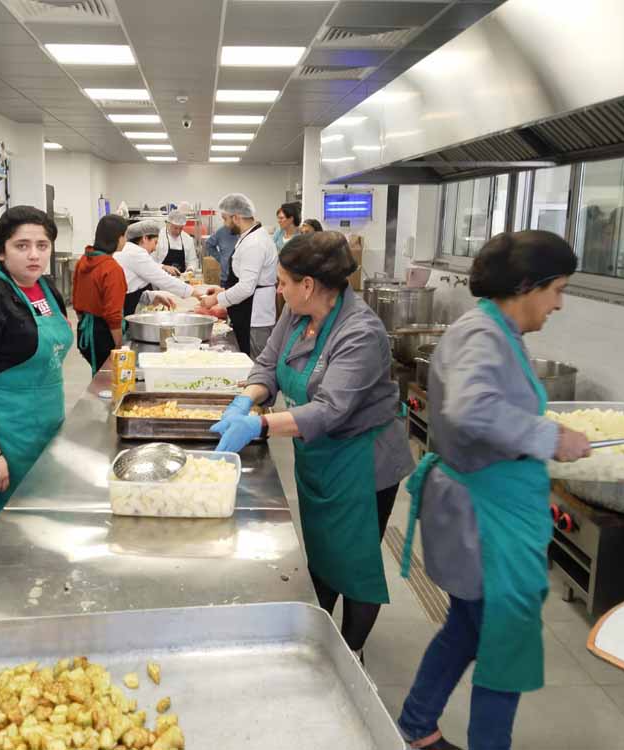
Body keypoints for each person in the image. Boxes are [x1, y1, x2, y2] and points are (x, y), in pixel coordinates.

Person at [397, 230, 591, 750]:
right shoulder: (482, 335)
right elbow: (472, 408)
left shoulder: (497, 330)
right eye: (557, 290)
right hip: (487, 520)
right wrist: (551, 437)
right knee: (506, 643)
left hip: (490, 508)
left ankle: (415, 725)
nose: (559, 304)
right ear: (527, 285)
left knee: (466, 627)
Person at [211, 231, 414, 661]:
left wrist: (259, 425)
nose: (278, 290)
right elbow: (268, 363)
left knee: (354, 565)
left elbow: (330, 410)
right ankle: (318, 635)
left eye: (283, 282)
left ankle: (350, 654)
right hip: (319, 457)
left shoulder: (360, 332)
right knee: (323, 554)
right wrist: (244, 400)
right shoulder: (297, 313)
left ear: (307, 285)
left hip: (361, 462)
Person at [0, 206, 72, 533]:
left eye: (42, 245)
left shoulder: (46, 289)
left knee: (43, 519)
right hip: (4, 430)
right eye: (22, 245)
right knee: (8, 529)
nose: (34, 254)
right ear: (1, 251)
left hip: (46, 422)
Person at [199, 193, 278, 357]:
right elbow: (246, 279)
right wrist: (223, 291)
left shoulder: (254, 243)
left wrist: (216, 299)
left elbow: (246, 288)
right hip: (246, 310)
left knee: (254, 363)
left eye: (225, 219)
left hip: (254, 316)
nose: (224, 224)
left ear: (235, 218)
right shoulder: (248, 237)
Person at [73, 215, 128, 376]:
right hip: (105, 334)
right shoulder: (112, 269)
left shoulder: (83, 260)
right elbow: (113, 315)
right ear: (118, 238)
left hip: (85, 331)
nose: (125, 240)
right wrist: (119, 346)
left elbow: (76, 300)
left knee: (99, 374)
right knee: (109, 378)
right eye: (125, 236)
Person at [114, 219, 203, 316]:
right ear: (145, 238)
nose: (155, 248)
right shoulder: (136, 253)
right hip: (116, 310)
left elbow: (132, 288)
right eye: (155, 242)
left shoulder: (130, 250)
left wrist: (151, 297)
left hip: (122, 305)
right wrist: (194, 293)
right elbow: (163, 279)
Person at [154, 209, 198, 275]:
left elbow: (192, 260)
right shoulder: (158, 237)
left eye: (181, 228)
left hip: (181, 278)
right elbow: (150, 261)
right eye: (175, 228)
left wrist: (190, 269)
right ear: (168, 224)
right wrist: (164, 267)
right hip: (161, 277)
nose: (178, 231)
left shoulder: (188, 239)